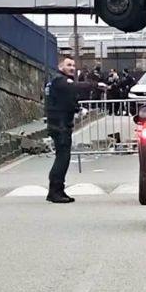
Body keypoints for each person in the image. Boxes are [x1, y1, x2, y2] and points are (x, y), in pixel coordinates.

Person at [44, 56, 107, 203]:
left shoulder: (56, 82)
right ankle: (55, 191)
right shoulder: (60, 80)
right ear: (60, 67)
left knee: (62, 157)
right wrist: (96, 85)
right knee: (62, 158)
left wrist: (77, 108)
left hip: (59, 123)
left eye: (73, 65)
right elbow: (75, 87)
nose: (72, 68)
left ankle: (58, 190)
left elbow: (66, 100)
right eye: (68, 65)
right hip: (60, 125)